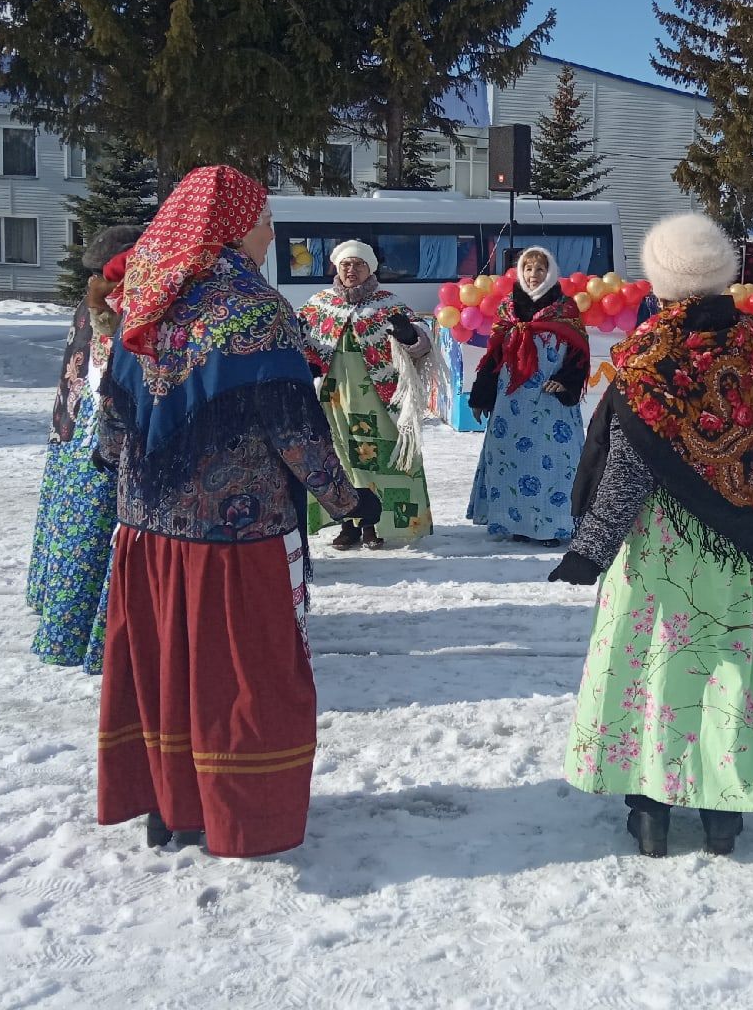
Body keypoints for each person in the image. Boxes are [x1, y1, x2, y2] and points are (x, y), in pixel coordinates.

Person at [93, 166, 379, 857]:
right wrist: (349, 503)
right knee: (237, 683)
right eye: (262, 220)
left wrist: (116, 465)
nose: (271, 232)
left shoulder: (149, 296)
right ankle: (236, 817)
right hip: (235, 539)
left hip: (147, 532)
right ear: (228, 227)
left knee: (164, 671)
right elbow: (296, 432)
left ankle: (168, 806)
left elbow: (113, 414)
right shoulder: (254, 311)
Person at [549, 213, 753, 858]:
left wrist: (590, 547)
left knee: (658, 665)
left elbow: (629, 461)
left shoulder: (650, 350)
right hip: (745, 542)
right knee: (730, 669)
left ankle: (651, 808)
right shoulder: (751, 340)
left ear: (661, 278)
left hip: (667, 542)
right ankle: (723, 811)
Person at [28, 223, 145, 674]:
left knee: (71, 532)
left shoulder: (90, 302)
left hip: (71, 433)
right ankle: (89, 635)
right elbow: (109, 377)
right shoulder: (115, 308)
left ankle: (62, 620)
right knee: (98, 537)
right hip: (99, 441)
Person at [298, 242, 436, 549]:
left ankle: (377, 523)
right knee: (337, 458)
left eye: (358, 264)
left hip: (378, 397)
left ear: (370, 268)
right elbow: (301, 338)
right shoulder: (320, 304)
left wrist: (408, 334)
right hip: (332, 397)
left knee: (380, 459)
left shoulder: (388, 303)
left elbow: (422, 342)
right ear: (336, 267)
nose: (351, 270)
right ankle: (348, 523)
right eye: (346, 264)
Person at [466, 246, 590, 544]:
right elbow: (494, 356)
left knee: (554, 465)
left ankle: (553, 527)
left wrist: (566, 382)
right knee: (511, 462)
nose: (534, 275)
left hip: (551, 405)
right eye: (528, 269)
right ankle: (516, 524)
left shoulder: (566, 309)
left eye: (540, 269)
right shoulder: (508, 308)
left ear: (552, 274)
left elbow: (579, 354)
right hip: (513, 406)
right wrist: (481, 396)